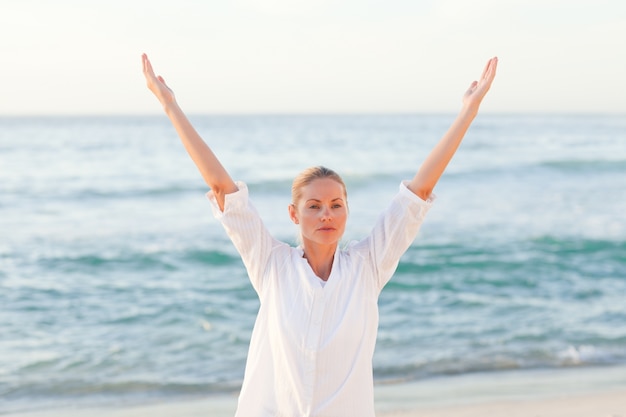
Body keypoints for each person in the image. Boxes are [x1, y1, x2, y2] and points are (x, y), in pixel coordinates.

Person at [142, 53, 497, 417]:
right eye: (314, 206)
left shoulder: (368, 266)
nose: (326, 214)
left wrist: (469, 110)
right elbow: (222, 188)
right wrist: (169, 104)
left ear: (346, 210)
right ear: (294, 214)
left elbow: (419, 192)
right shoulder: (271, 264)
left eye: (336, 204)